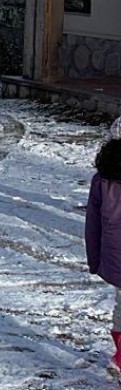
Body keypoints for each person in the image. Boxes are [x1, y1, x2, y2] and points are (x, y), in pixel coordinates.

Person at [87, 120, 121, 374]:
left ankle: (120, 355)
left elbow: (93, 224)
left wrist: (94, 259)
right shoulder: (102, 180)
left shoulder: (103, 178)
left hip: (115, 258)